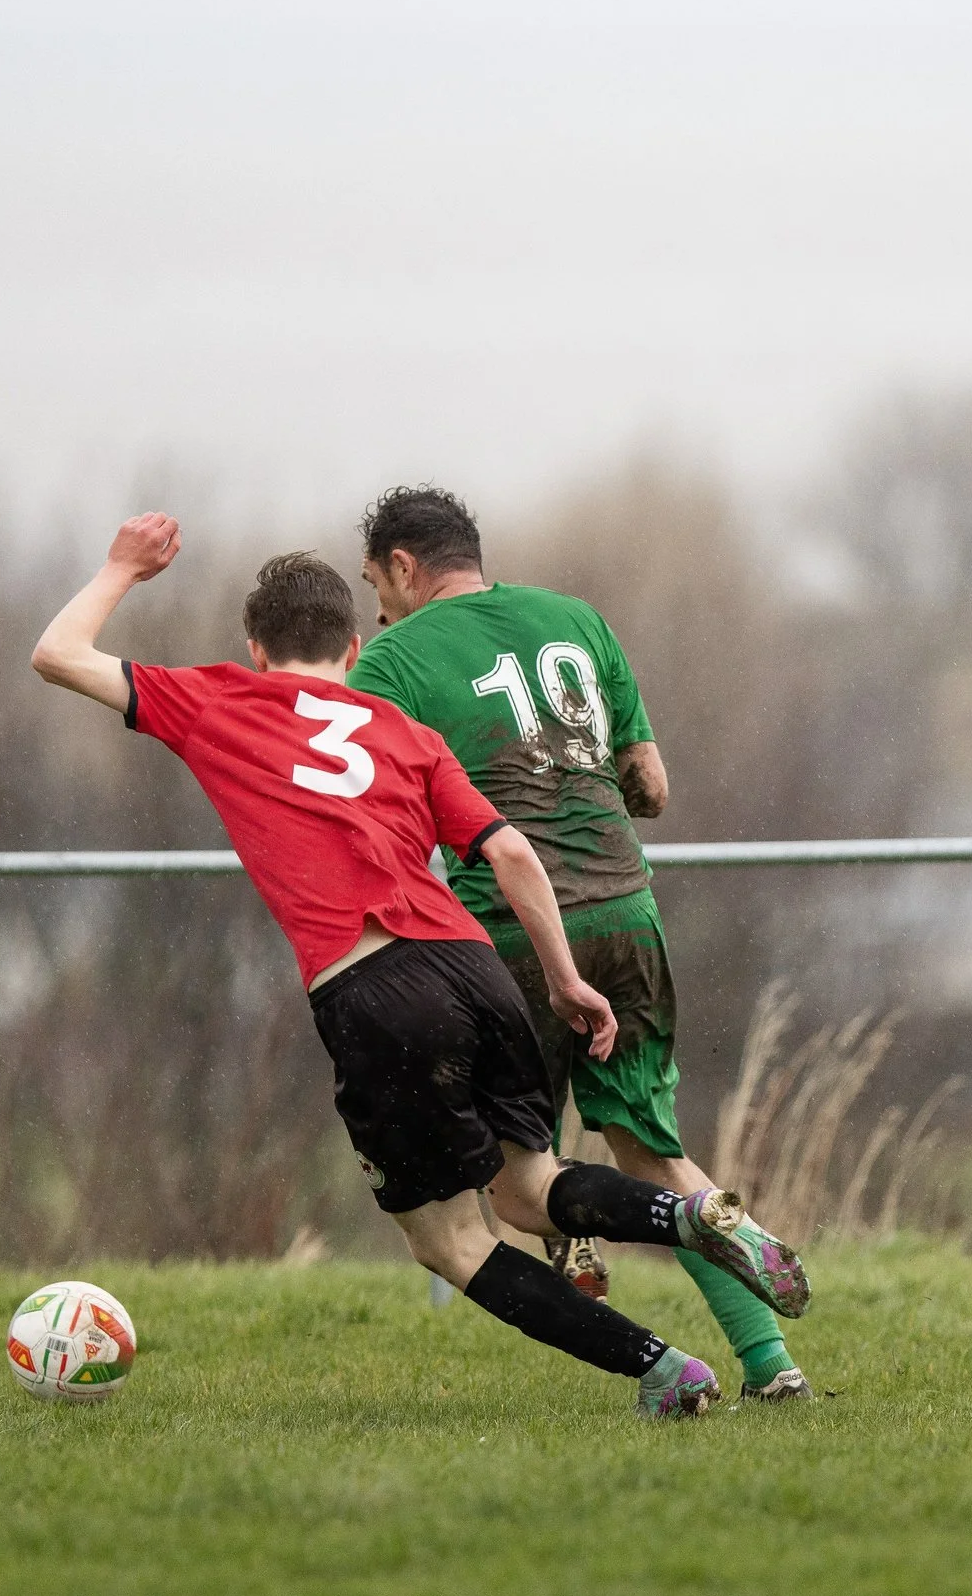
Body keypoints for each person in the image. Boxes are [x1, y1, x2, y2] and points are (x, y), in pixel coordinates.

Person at [30, 513, 809, 1418]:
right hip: (476, 966)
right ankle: (691, 1217)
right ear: (352, 643)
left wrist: (125, 567)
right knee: (529, 1188)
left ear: (254, 648)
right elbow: (513, 854)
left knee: (453, 1244)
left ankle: (663, 1367)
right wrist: (564, 981)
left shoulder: (218, 700)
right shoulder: (400, 732)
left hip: (374, 989)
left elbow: (57, 653)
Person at [346, 485, 814, 1403]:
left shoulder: (393, 661)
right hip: (627, 910)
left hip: (510, 930)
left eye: (376, 587)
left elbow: (365, 804)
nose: (378, 610)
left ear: (404, 568)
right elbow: (650, 784)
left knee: (514, 1178)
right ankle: (771, 1363)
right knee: (650, 1146)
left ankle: (592, 1263)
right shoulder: (576, 620)